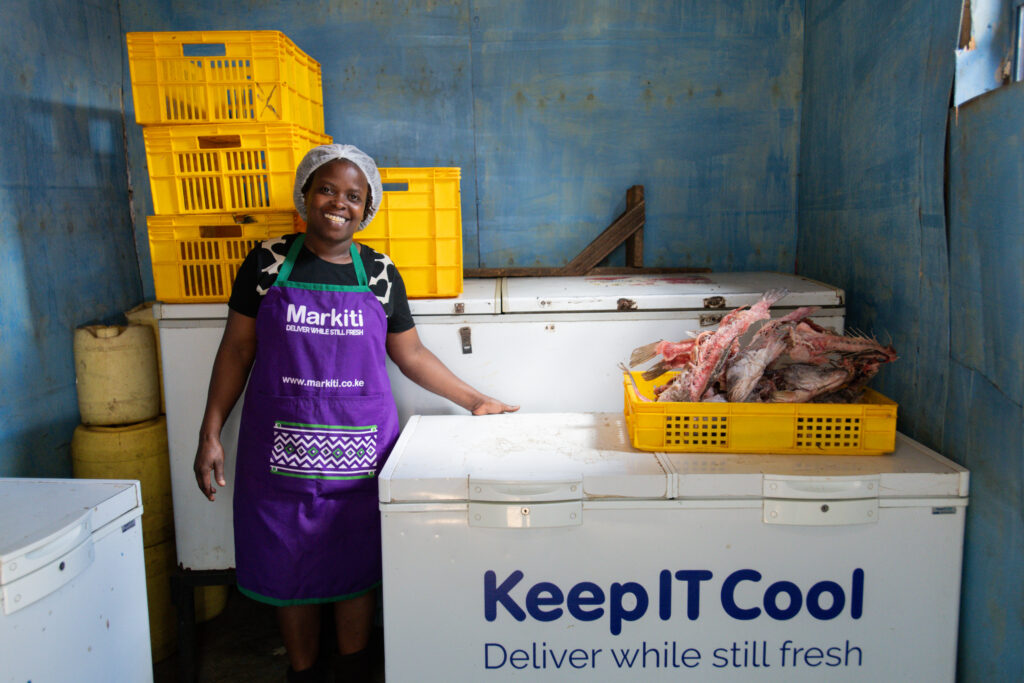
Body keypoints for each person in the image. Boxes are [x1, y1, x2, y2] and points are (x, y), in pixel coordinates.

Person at [193, 143, 518, 682]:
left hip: (360, 455)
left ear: (366, 207)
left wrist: (475, 400)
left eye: (352, 195)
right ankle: (304, 672)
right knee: (287, 565)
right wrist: (210, 432)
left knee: (356, 566)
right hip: (280, 460)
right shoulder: (268, 262)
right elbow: (236, 349)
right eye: (326, 189)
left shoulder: (380, 272)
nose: (337, 203)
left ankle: (354, 671)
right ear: (305, 195)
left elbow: (409, 353)